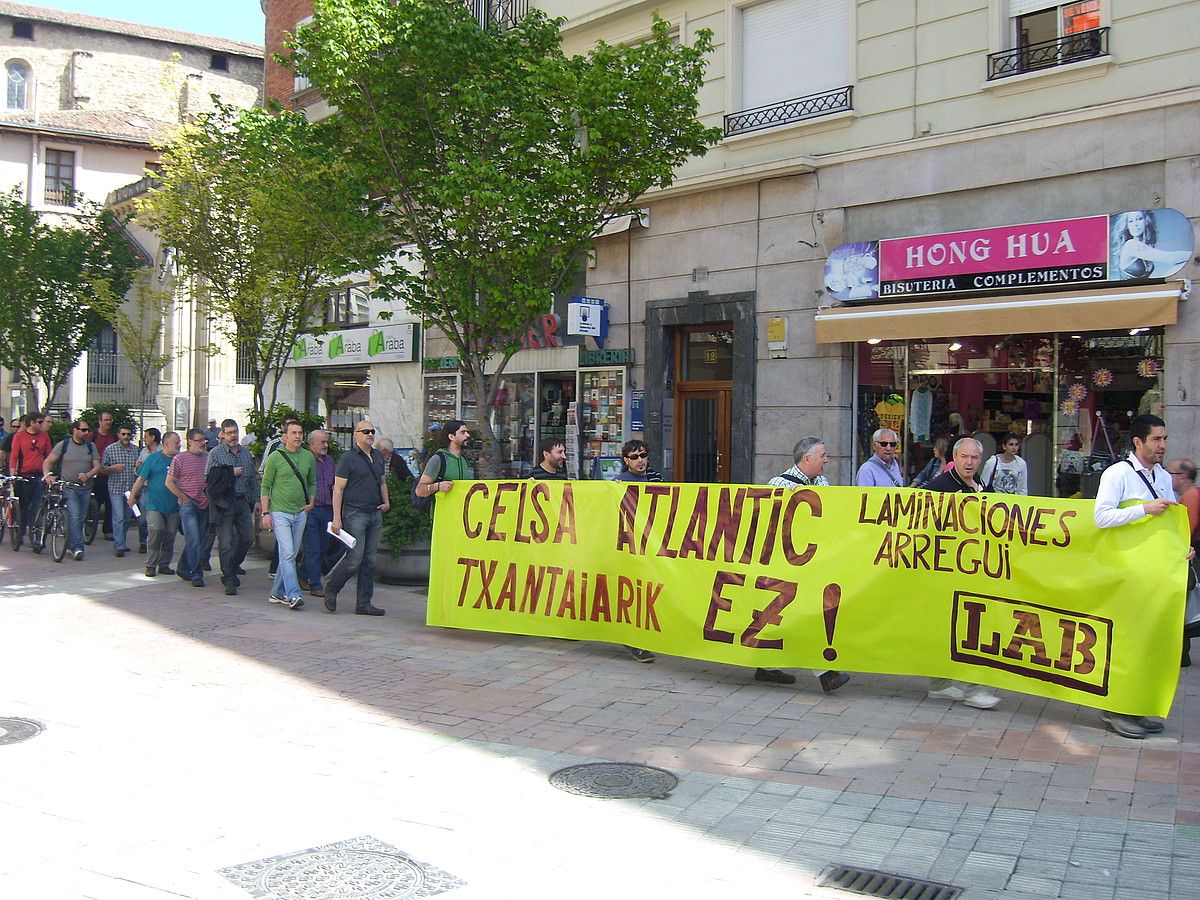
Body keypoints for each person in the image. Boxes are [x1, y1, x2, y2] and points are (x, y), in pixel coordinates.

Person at [1094, 415, 1194, 737]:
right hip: (1126, 572)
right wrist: (1143, 510)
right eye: (1157, 439)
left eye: (1165, 439)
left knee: (1146, 642)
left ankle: (1136, 707)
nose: (1163, 445)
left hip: (1152, 573)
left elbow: (1171, 522)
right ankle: (1116, 709)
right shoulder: (1117, 474)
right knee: (1124, 642)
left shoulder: (1162, 476)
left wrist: (1182, 548)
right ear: (1138, 442)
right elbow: (1101, 517)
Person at [764, 436, 851, 693]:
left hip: (813, 560)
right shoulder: (778, 484)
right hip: (786, 562)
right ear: (807, 459)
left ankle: (765, 666)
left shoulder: (821, 482)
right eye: (823, 456)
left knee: (787, 615)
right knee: (805, 613)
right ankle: (825, 673)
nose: (827, 460)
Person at [924, 437, 1003, 710]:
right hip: (947, 571)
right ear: (954, 458)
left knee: (961, 627)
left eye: (974, 458)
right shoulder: (940, 487)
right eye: (964, 457)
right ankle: (972, 687)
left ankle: (942, 683)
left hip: (974, 569)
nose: (969, 462)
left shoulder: (981, 485)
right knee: (965, 628)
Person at [324, 421, 390, 616]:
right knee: (355, 558)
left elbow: (382, 481)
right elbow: (338, 489)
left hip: (375, 512)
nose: (370, 434)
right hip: (355, 513)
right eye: (366, 431)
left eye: (372, 431)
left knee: (369, 560)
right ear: (356, 435)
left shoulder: (378, 456)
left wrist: (386, 501)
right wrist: (337, 518)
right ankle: (332, 588)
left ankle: (364, 602)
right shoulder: (348, 458)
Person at [613, 440, 662, 663]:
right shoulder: (618, 483)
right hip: (628, 546)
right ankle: (633, 641)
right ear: (626, 461)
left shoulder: (656, 479)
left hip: (650, 546)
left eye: (643, 455)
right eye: (634, 457)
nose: (640, 460)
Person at [260, 420, 315, 610]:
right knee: (287, 553)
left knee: (290, 553)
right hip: (279, 511)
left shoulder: (308, 457)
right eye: (294, 433)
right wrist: (265, 513)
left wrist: (311, 502)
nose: (298, 436)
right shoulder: (275, 457)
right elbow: (265, 485)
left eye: (300, 433)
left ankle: (276, 592)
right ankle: (293, 594)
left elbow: (312, 482)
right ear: (285, 436)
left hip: (300, 511)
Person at [205, 419, 258, 596]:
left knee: (248, 538)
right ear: (222, 434)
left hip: (242, 501)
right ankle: (228, 578)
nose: (233, 436)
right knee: (226, 543)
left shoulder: (245, 453)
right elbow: (210, 480)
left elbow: (252, 479)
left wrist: (256, 500)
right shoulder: (216, 454)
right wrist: (230, 473)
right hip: (224, 502)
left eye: (235, 432)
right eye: (229, 432)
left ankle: (232, 567)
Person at [42, 419, 101, 561]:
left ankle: (71, 544)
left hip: (85, 488)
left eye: (87, 430)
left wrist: (88, 475)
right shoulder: (64, 445)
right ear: (75, 430)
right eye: (83, 430)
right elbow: (48, 461)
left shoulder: (90, 446)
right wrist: (47, 475)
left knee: (80, 519)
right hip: (69, 487)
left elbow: (97, 465)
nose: (86, 433)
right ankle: (77, 548)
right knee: (74, 517)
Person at [128, 431, 180, 578]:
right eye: (176, 443)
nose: (179, 445)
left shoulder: (179, 459)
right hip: (155, 505)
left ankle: (164, 564)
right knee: (156, 531)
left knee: (170, 535)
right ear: (166, 443)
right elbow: (140, 479)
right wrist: (132, 496)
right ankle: (151, 565)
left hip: (174, 505)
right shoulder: (153, 459)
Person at [299, 429, 341, 598]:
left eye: (326, 442)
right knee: (313, 547)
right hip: (312, 509)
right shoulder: (305, 460)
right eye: (322, 442)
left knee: (323, 547)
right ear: (312, 444)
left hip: (327, 508)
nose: (326, 445)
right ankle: (315, 584)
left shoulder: (329, 461)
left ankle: (301, 574)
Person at [167, 429, 210, 588]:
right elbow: (169, 482)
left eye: (204, 440)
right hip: (188, 504)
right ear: (190, 441)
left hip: (204, 504)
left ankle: (183, 567)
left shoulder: (208, 457)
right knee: (193, 539)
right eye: (199, 440)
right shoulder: (180, 459)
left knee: (198, 539)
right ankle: (196, 573)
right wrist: (183, 497)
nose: (202, 443)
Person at [1169, 457, 1199, 668]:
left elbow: (1185, 532)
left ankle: (1181, 655)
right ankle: (1182, 655)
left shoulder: (1190, 498)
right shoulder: (1191, 495)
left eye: (1171, 473)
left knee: (1182, 606)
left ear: (1183, 477)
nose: (1168, 477)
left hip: (1192, 560)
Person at [7, 413, 51, 551]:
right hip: (23, 475)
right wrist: (13, 474)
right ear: (31, 423)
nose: (42, 424)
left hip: (38, 475)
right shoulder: (19, 437)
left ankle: (35, 537)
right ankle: (20, 533)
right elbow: (14, 456)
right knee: (24, 506)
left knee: (37, 506)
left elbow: (49, 455)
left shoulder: (44, 436)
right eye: (39, 422)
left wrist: (48, 472)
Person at [1111, 210, 1191, 279]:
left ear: (1146, 221)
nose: (1135, 224)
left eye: (1139, 219)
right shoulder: (1131, 245)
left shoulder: (1143, 245)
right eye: (1130, 221)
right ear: (1127, 225)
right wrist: (1193, 255)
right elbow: (1171, 258)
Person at [99, 424, 140, 557]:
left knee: (127, 518)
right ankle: (120, 545)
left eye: (128, 434)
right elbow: (102, 468)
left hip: (131, 489)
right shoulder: (110, 449)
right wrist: (113, 468)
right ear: (118, 435)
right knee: (119, 517)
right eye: (123, 434)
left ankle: (120, 541)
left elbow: (139, 470)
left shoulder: (135, 450)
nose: (126, 437)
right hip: (116, 488)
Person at [416, 419, 474, 503]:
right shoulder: (438, 459)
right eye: (463, 432)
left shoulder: (464, 459)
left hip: (461, 513)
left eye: (467, 432)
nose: (467, 435)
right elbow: (420, 490)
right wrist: (438, 486)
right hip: (442, 513)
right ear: (451, 437)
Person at [132, 428, 161, 554]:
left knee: (157, 518)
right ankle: (143, 541)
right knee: (143, 518)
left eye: (146, 436)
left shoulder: (161, 451)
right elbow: (139, 473)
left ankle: (155, 543)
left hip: (158, 489)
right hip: (145, 488)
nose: (144, 439)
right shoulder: (144, 451)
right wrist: (137, 467)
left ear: (152, 438)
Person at [92, 411, 118, 540]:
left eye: (110, 420)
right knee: (94, 502)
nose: (108, 422)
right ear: (100, 421)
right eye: (106, 420)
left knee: (110, 501)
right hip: (96, 474)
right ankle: (90, 527)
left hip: (110, 473)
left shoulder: (114, 436)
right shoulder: (93, 436)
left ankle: (108, 529)